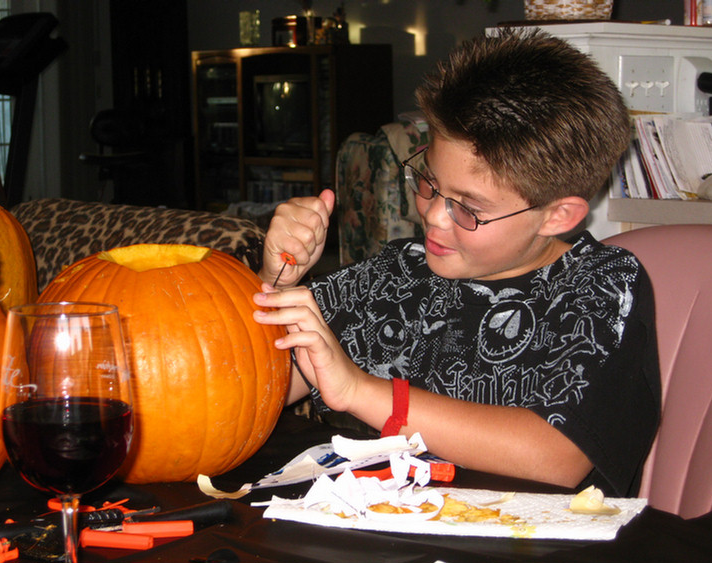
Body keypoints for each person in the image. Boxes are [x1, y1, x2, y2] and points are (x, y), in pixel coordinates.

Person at [252, 28, 660, 498]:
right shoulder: (396, 277)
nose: (431, 216)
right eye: (429, 182)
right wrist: (276, 280)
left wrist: (360, 391)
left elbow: (557, 455)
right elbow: (252, 398)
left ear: (556, 215)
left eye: (469, 208)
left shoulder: (601, 286)